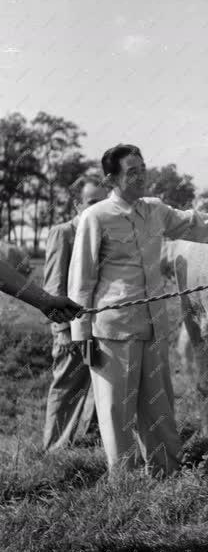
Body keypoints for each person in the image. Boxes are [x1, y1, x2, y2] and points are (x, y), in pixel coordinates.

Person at [68, 145, 208, 478]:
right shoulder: (96, 217)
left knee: (159, 404)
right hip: (113, 328)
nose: (142, 175)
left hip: (154, 324)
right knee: (117, 408)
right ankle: (124, 478)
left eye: (143, 168)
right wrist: (80, 332)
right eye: (132, 171)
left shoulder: (155, 211)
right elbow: (81, 279)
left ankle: (167, 470)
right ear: (111, 179)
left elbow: (195, 224)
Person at [42, 174, 108, 451]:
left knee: (101, 385)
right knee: (67, 387)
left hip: (102, 326)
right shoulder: (64, 232)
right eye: (91, 202)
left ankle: (93, 436)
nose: (96, 209)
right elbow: (53, 287)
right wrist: (63, 331)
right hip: (72, 329)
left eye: (102, 203)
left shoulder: (106, 235)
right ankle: (55, 447)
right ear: (76, 206)